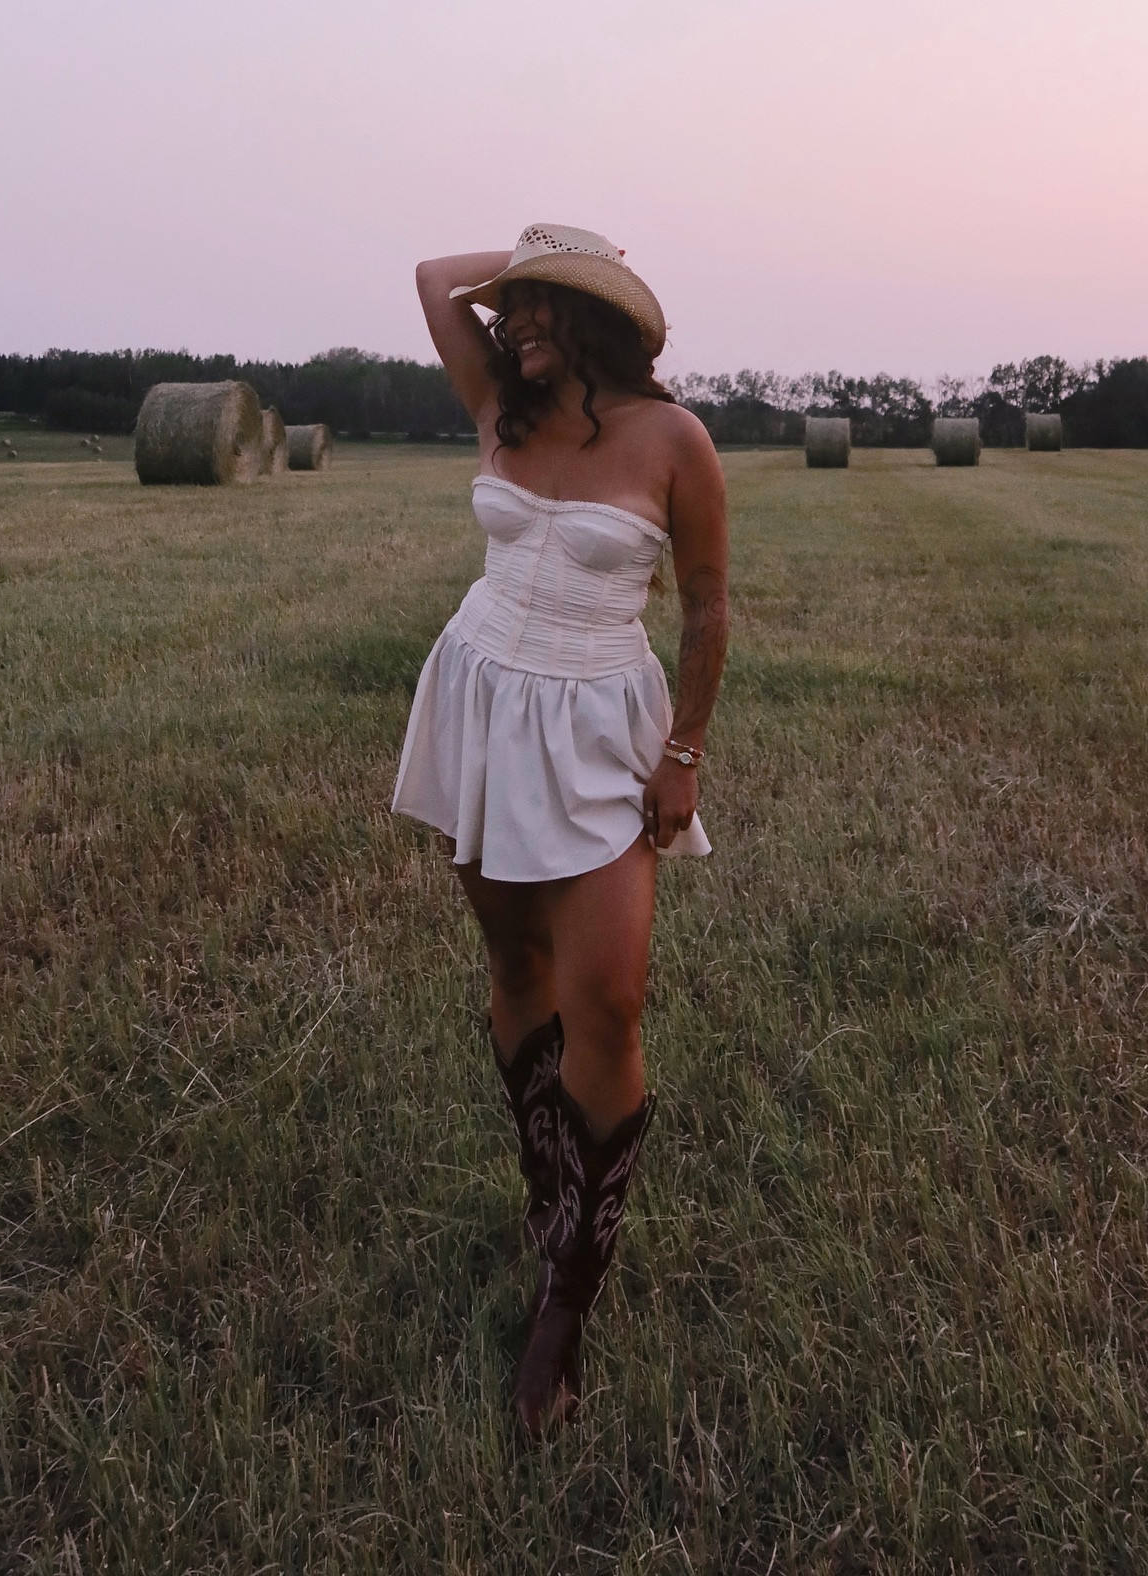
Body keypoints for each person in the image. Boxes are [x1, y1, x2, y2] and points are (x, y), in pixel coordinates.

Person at [392, 224, 729, 1436]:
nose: (513, 325)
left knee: (612, 1001)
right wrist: (528, 248)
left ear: (599, 322)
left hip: (599, 727)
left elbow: (705, 605)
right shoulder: (502, 405)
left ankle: (566, 1300)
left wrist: (683, 749)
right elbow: (434, 280)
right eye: (514, 307)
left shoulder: (673, 439)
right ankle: (548, 1188)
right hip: (482, 694)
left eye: (540, 309)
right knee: (514, 964)